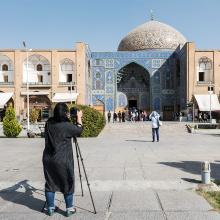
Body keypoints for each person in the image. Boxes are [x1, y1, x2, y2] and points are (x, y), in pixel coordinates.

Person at [42, 103, 83, 217]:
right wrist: (79, 117)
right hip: (63, 160)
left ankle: (50, 208)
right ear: (65, 113)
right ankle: (69, 209)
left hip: (48, 158)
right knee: (67, 182)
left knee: (50, 183)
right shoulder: (66, 125)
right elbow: (79, 131)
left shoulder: (48, 123)